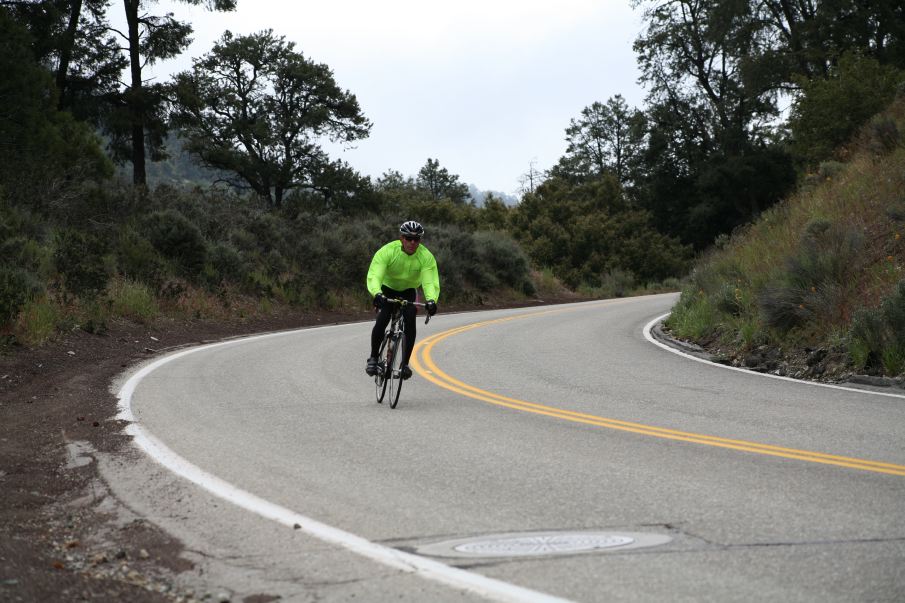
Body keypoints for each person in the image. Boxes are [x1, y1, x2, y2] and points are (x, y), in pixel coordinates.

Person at [365, 220, 439, 379]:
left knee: (410, 320)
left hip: (409, 291)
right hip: (387, 288)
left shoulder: (425, 257)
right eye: (408, 238)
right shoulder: (387, 251)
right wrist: (376, 293)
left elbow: (429, 281)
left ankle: (404, 364)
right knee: (383, 318)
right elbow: (375, 274)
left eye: (416, 239)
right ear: (401, 238)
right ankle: (373, 358)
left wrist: (432, 300)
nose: (412, 242)